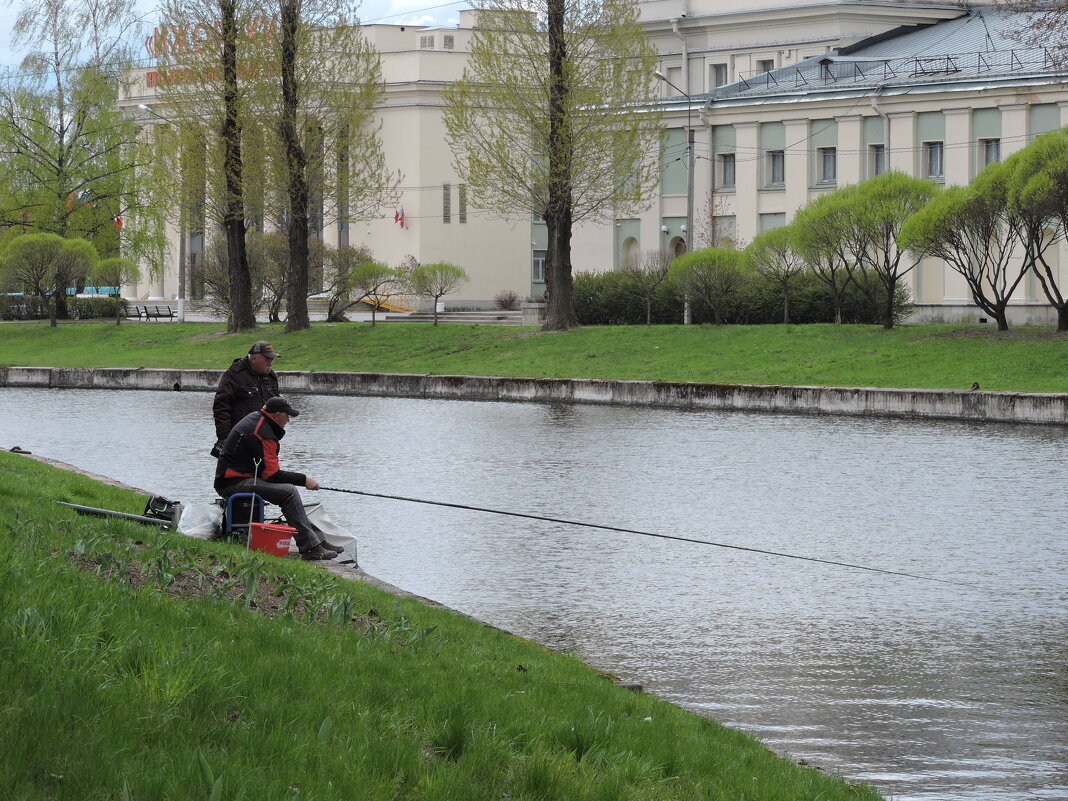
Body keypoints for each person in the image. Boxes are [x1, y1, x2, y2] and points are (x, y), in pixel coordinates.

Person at [214, 396, 341, 561]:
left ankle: (318, 541)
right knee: (289, 492)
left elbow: (269, 472)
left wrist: (299, 479)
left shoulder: (259, 419)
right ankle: (311, 547)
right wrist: (304, 480)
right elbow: (272, 475)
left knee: (288, 491)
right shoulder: (264, 433)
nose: (288, 419)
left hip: (238, 477)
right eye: (286, 415)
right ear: (276, 415)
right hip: (232, 483)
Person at [212, 341, 281, 456]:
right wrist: (224, 439)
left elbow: (276, 407)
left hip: (265, 441)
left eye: (271, 360)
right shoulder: (234, 375)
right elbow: (221, 407)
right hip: (240, 439)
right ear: (254, 359)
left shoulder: (270, 377)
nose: (270, 363)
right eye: (267, 359)